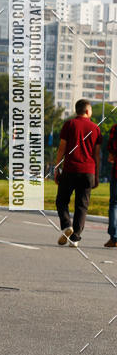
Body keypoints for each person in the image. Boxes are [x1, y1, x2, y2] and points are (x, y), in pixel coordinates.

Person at [55, 99, 101, 248]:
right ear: (88, 111)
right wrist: (97, 175)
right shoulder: (95, 128)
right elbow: (97, 154)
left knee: (61, 200)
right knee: (82, 205)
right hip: (88, 171)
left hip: (70, 169)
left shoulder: (69, 124)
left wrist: (56, 167)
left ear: (77, 111)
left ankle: (67, 225)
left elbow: (62, 148)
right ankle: (75, 238)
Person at [105, 120, 117, 247]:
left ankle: (114, 237)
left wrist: (112, 155)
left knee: (114, 204)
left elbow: (111, 147)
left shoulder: (115, 128)